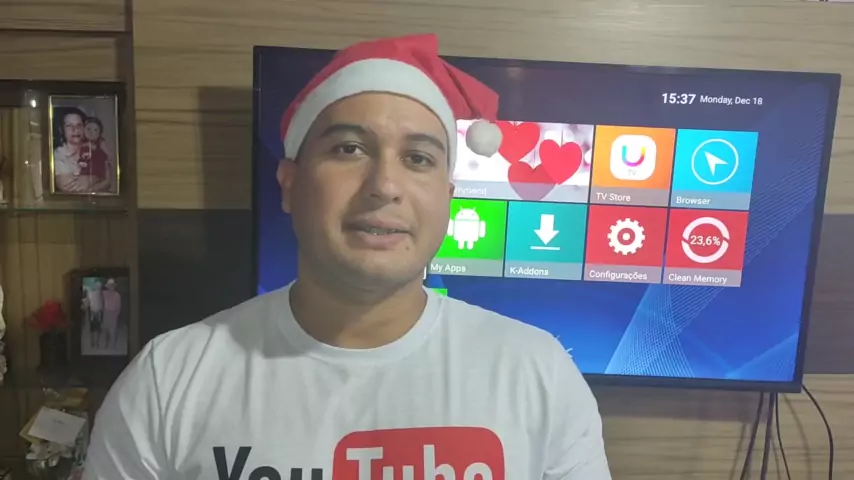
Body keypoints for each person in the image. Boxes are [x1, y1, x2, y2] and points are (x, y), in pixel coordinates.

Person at [83, 34, 611, 479]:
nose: (384, 185)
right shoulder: (168, 380)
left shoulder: (538, 374)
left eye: (418, 158)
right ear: (289, 184)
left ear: (448, 200)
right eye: (349, 149)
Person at [53, 108, 100, 194]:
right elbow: (69, 188)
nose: (75, 129)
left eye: (79, 125)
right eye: (69, 125)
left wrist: (90, 179)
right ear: (61, 130)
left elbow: (109, 179)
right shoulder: (57, 156)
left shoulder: (94, 150)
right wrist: (94, 178)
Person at [79, 117, 116, 193]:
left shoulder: (100, 142)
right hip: (87, 171)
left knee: (95, 188)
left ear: (100, 132)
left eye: (95, 130)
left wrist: (109, 159)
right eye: (88, 129)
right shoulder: (82, 143)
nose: (92, 132)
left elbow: (109, 153)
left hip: (99, 171)